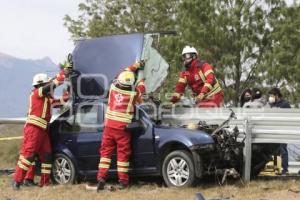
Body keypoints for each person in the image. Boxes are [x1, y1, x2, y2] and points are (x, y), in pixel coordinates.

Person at [12, 71, 66, 190]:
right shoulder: (37, 93)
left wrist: (65, 98)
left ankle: (44, 183)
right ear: (41, 85)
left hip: (43, 130)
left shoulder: (46, 97)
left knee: (47, 156)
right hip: (34, 129)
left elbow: (57, 103)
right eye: (46, 84)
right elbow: (51, 86)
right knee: (29, 155)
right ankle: (17, 181)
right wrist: (60, 77)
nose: (49, 87)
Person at [96, 61, 145, 191]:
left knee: (105, 154)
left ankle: (101, 178)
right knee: (122, 155)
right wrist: (141, 81)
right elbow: (142, 100)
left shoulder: (113, 86)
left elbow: (122, 72)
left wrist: (136, 65)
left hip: (109, 126)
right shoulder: (134, 93)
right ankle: (123, 181)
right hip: (123, 129)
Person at [268, 87, 291, 175]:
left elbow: (290, 117)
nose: (270, 97)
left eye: (271, 95)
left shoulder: (285, 104)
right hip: (274, 131)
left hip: (283, 130)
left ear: (276, 95)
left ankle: (285, 170)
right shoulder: (271, 105)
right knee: (275, 151)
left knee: (283, 150)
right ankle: (276, 169)